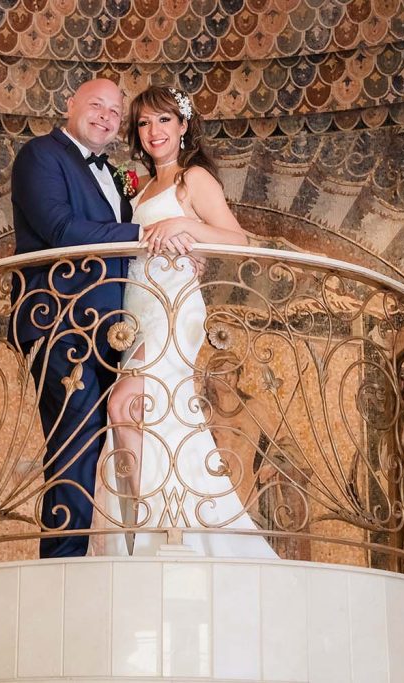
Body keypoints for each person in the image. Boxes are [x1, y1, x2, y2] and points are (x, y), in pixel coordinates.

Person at [103, 85, 279, 559]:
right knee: (154, 415)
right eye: (143, 123)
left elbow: (237, 241)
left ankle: (149, 532)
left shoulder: (192, 179)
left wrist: (186, 227)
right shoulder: (139, 187)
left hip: (172, 306)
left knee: (124, 405)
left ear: (183, 126)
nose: (153, 131)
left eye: (163, 120)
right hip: (136, 309)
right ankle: (173, 524)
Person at [8, 78, 141, 558]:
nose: (106, 116)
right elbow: (61, 230)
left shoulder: (115, 174)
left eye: (115, 112)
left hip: (113, 330)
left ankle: (106, 559)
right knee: (74, 446)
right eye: (96, 105)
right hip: (63, 323)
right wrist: (146, 231)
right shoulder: (41, 156)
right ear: (69, 105)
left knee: (112, 448)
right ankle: (60, 570)